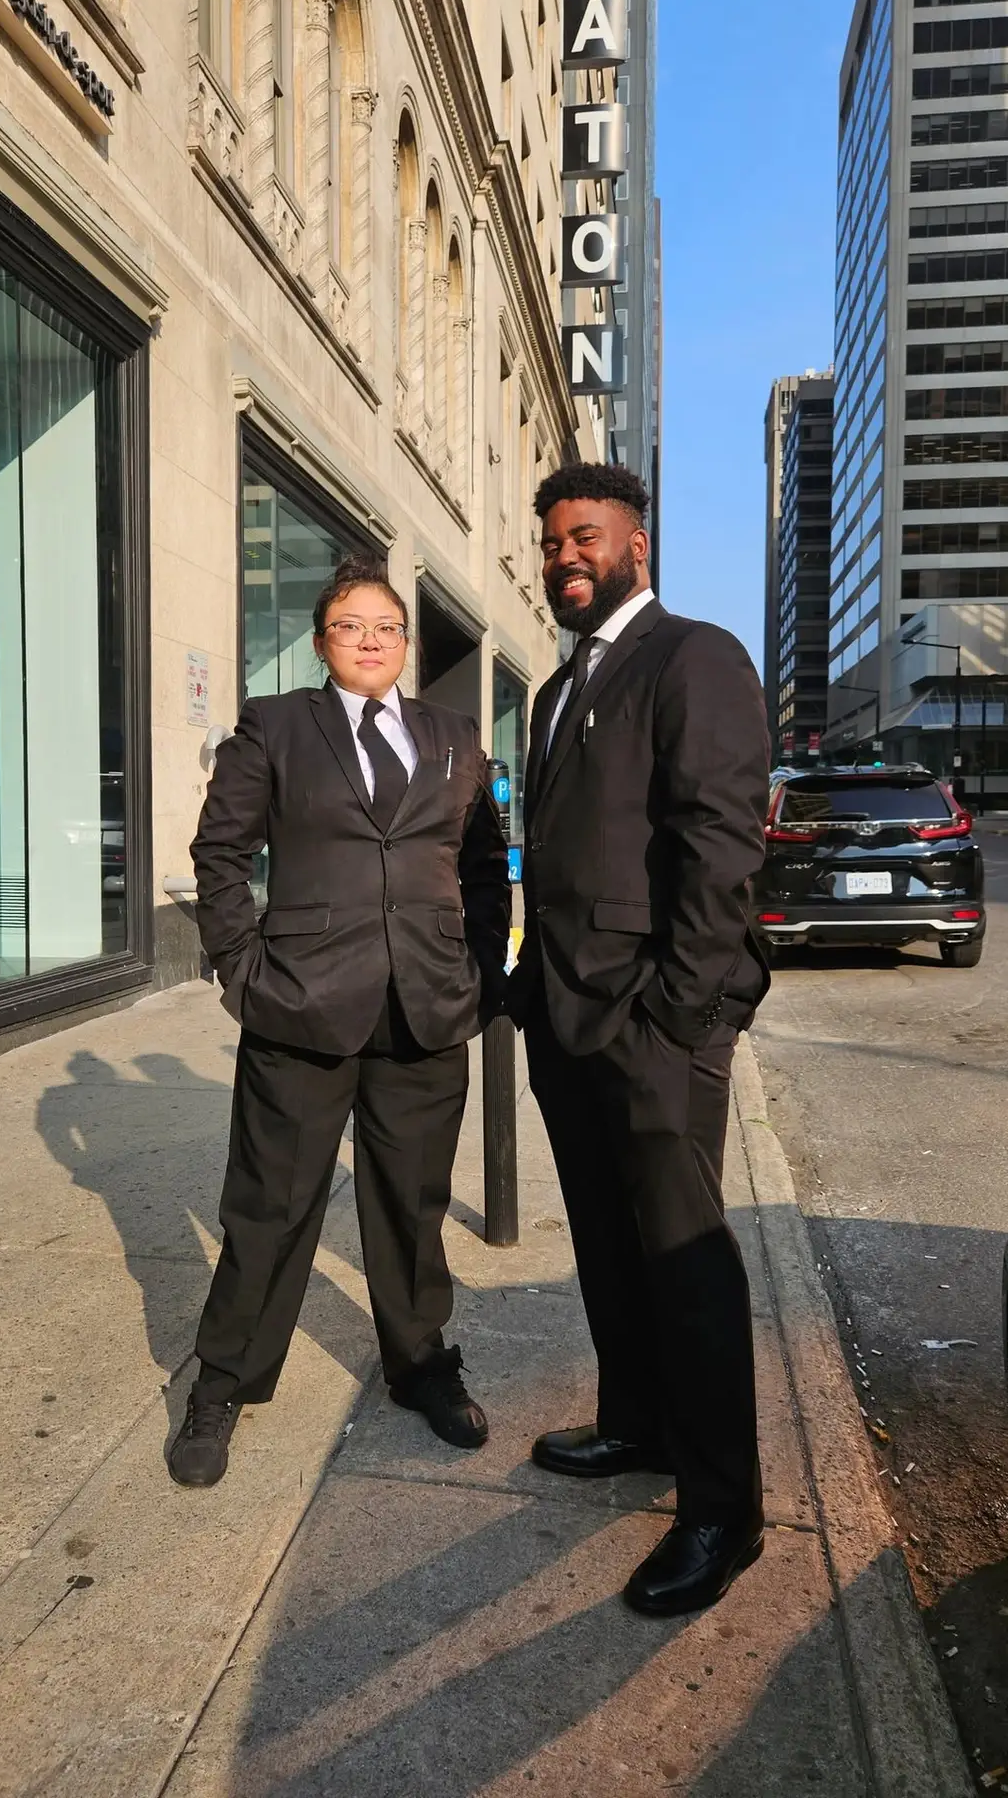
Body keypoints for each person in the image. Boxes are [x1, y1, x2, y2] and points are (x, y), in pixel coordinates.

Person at [168, 558, 510, 1487]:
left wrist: (481, 970)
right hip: (301, 1007)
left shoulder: (453, 736)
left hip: (426, 1007)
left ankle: (421, 1364)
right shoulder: (277, 724)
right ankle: (224, 1381)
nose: (370, 640)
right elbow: (220, 852)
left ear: (408, 644)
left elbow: (484, 864)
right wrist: (244, 971)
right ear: (322, 642)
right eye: (351, 626)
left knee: (412, 1204)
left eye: (387, 627)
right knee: (271, 1206)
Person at [506, 462, 771, 1618]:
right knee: (608, 1244)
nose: (566, 557)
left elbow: (722, 845)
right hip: (566, 1016)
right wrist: (530, 989)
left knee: (684, 1261)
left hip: (653, 1024)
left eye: (586, 538)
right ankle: (638, 1426)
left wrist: (683, 1013)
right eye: (552, 542)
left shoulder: (694, 657)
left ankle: (723, 1509)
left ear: (636, 547)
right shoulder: (554, 691)